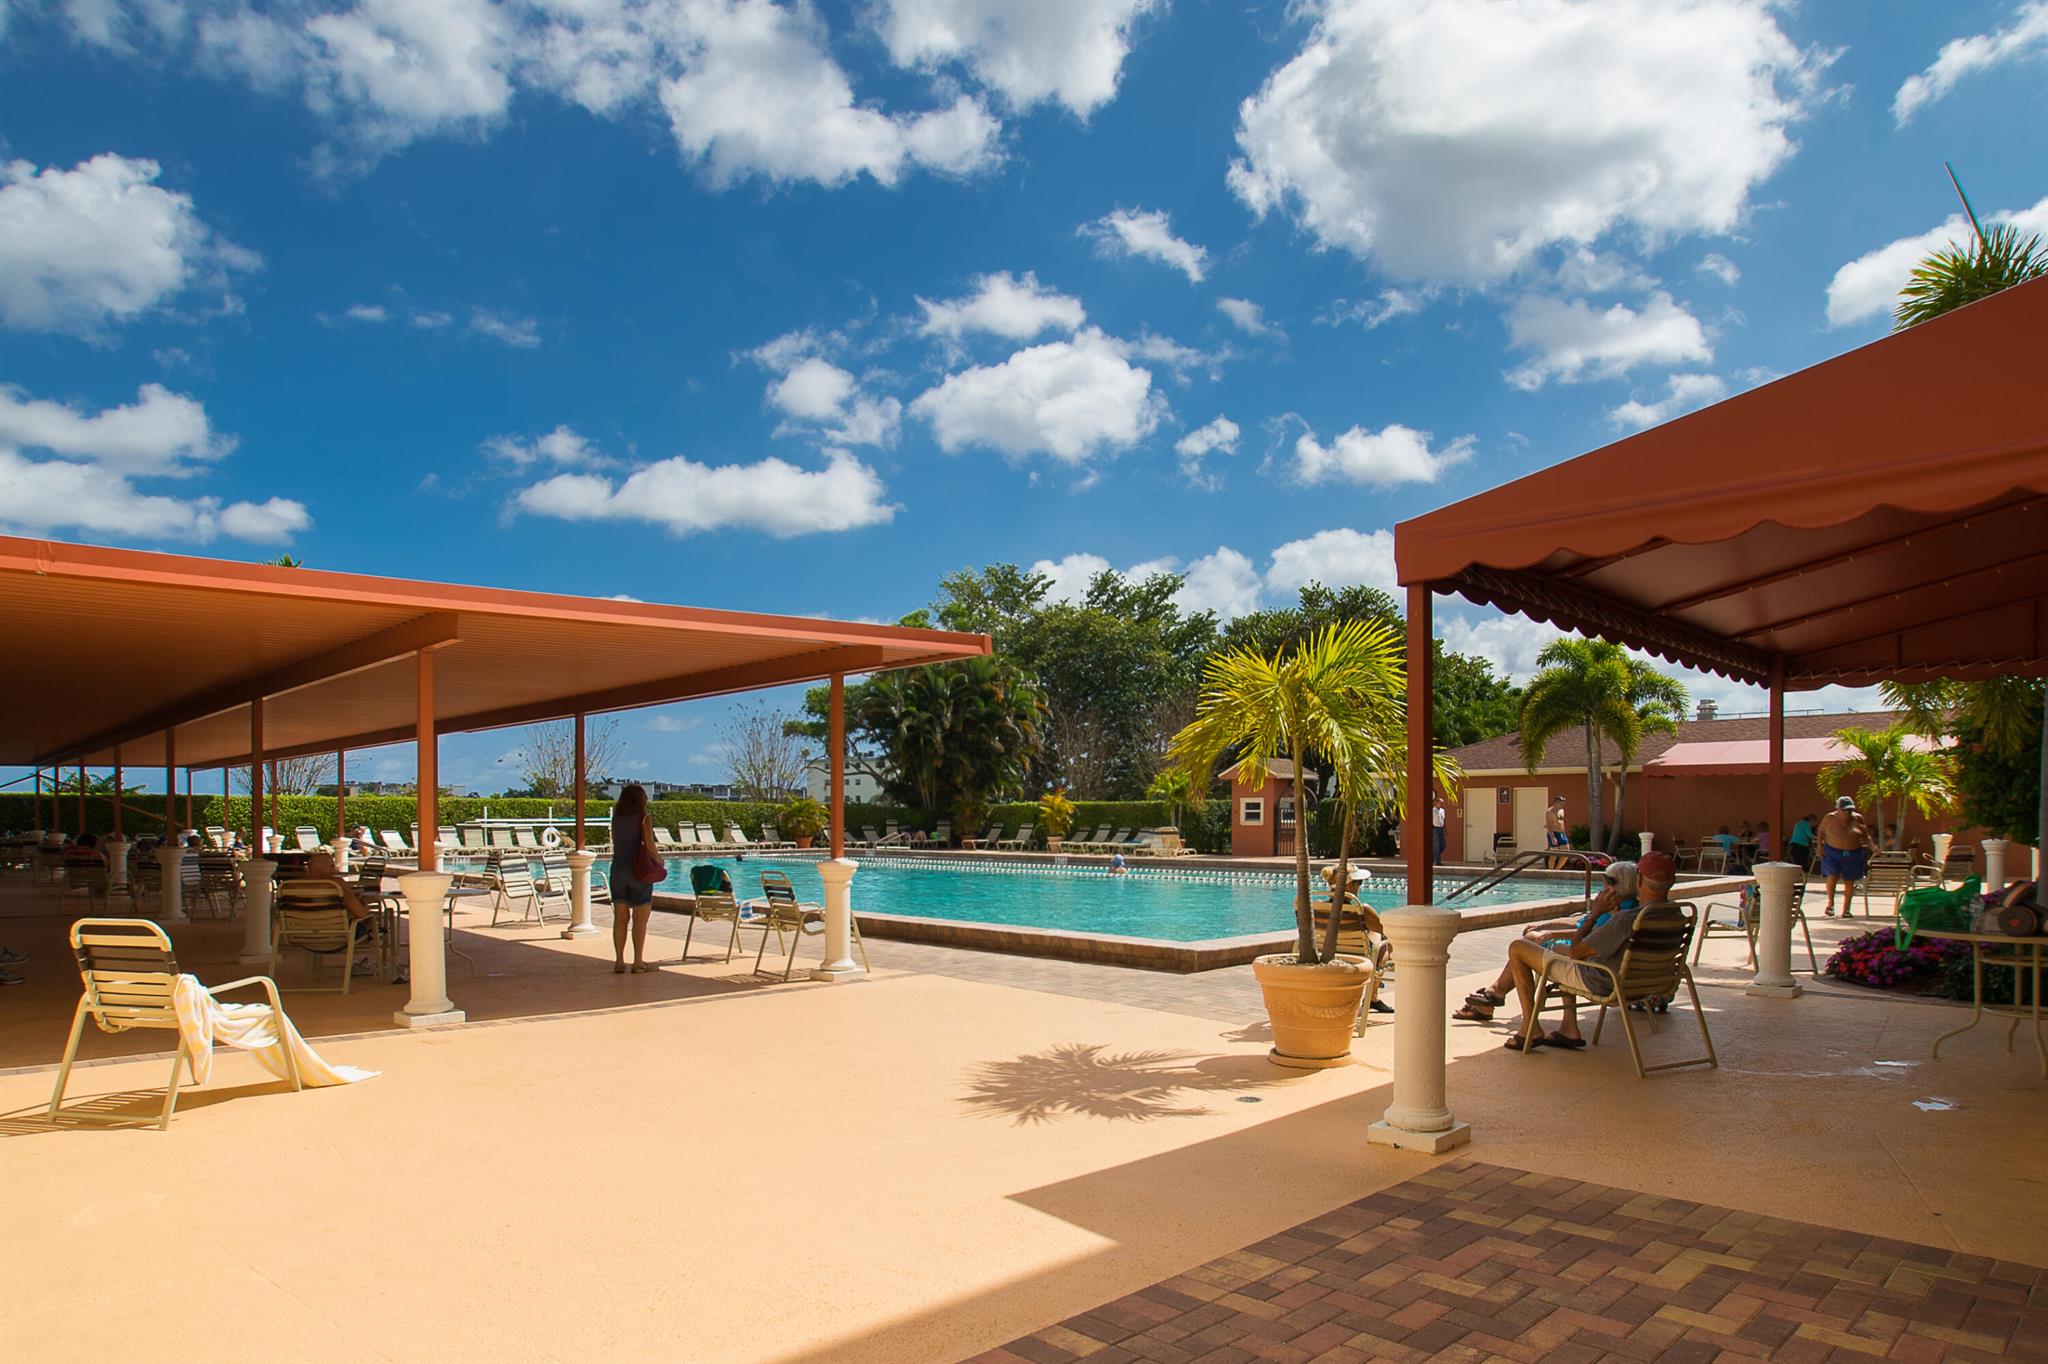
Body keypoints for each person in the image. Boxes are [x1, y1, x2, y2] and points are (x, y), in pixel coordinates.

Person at [1500, 851, 1677, 1049]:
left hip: (1603, 981)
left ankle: (1530, 1027)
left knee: (1519, 948)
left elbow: (1576, 952)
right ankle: (1568, 1028)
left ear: (1640, 880)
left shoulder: (1626, 919)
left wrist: (1595, 913)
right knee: (1557, 950)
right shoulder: (1676, 914)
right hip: (1649, 985)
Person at [1454, 859, 1657, 1028]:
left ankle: (1526, 1023)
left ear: (1618, 885)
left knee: (1521, 947)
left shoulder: (1618, 915)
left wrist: (1590, 915)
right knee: (1532, 939)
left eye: (1608, 880)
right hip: (1628, 979)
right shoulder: (1638, 912)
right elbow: (1582, 927)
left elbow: (1578, 948)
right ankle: (1495, 995)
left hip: (1597, 975)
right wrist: (1547, 926)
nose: (1603, 884)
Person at [609, 783, 657, 973]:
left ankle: (619, 961)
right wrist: (659, 861)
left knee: (620, 918)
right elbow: (650, 846)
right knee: (640, 918)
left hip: (618, 869)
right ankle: (638, 962)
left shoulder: (616, 818)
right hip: (638, 871)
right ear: (641, 799)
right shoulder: (644, 818)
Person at [1817, 796, 1873, 915]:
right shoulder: (1830, 817)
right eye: (1844, 810)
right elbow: (1821, 831)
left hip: (1853, 853)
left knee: (1849, 881)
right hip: (1832, 852)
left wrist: (1873, 847)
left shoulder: (1858, 818)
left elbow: (1866, 835)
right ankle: (1830, 904)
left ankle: (1846, 909)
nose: (1847, 812)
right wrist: (1819, 846)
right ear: (1838, 808)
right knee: (1832, 877)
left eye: (1850, 810)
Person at [1431, 795, 1447, 862]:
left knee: (1443, 845)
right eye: (1440, 803)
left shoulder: (1442, 810)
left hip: (1441, 828)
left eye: (1442, 803)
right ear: (1436, 803)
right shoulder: (1433, 810)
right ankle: (1438, 861)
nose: (1441, 804)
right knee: (1437, 845)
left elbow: (1443, 820)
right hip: (1435, 829)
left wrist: (1445, 829)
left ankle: (1434, 855)